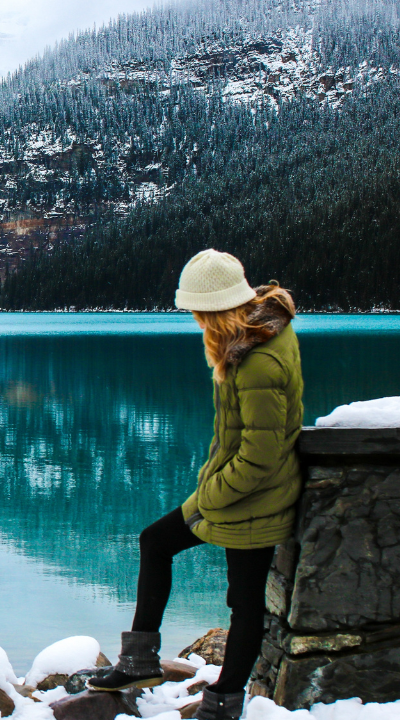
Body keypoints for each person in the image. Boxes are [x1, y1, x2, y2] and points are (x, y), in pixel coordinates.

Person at [87, 249, 303, 720]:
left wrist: (209, 495)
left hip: (256, 499)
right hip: (231, 490)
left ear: (217, 308)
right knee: (155, 541)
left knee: (244, 604)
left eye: (199, 312)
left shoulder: (259, 362)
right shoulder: (251, 336)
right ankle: (139, 660)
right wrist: (212, 490)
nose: (195, 322)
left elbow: (260, 456)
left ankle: (224, 702)